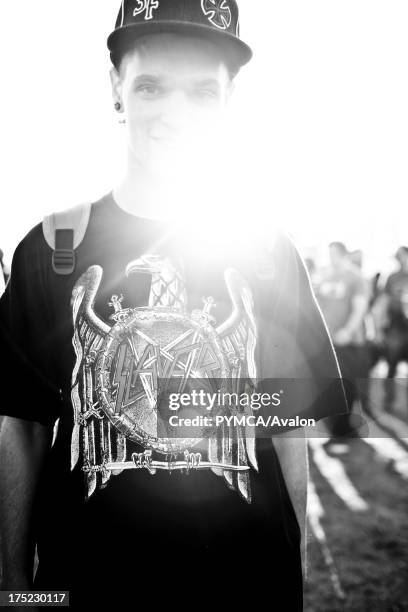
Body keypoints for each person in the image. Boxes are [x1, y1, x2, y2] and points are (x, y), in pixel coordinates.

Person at [0, 2, 348, 609]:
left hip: (244, 579)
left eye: (202, 92)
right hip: (87, 582)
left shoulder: (265, 250)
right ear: (116, 88)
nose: (174, 114)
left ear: (230, 100)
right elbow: (20, 425)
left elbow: (288, 423)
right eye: (151, 85)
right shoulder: (56, 248)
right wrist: (12, 584)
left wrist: (291, 565)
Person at [316, 241, 372, 437]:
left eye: (335, 254)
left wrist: (348, 331)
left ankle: (345, 428)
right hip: (328, 342)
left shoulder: (355, 277)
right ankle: (335, 428)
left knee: (348, 385)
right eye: (329, 254)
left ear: (344, 254)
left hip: (348, 343)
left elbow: (360, 308)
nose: (332, 258)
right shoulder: (324, 276)